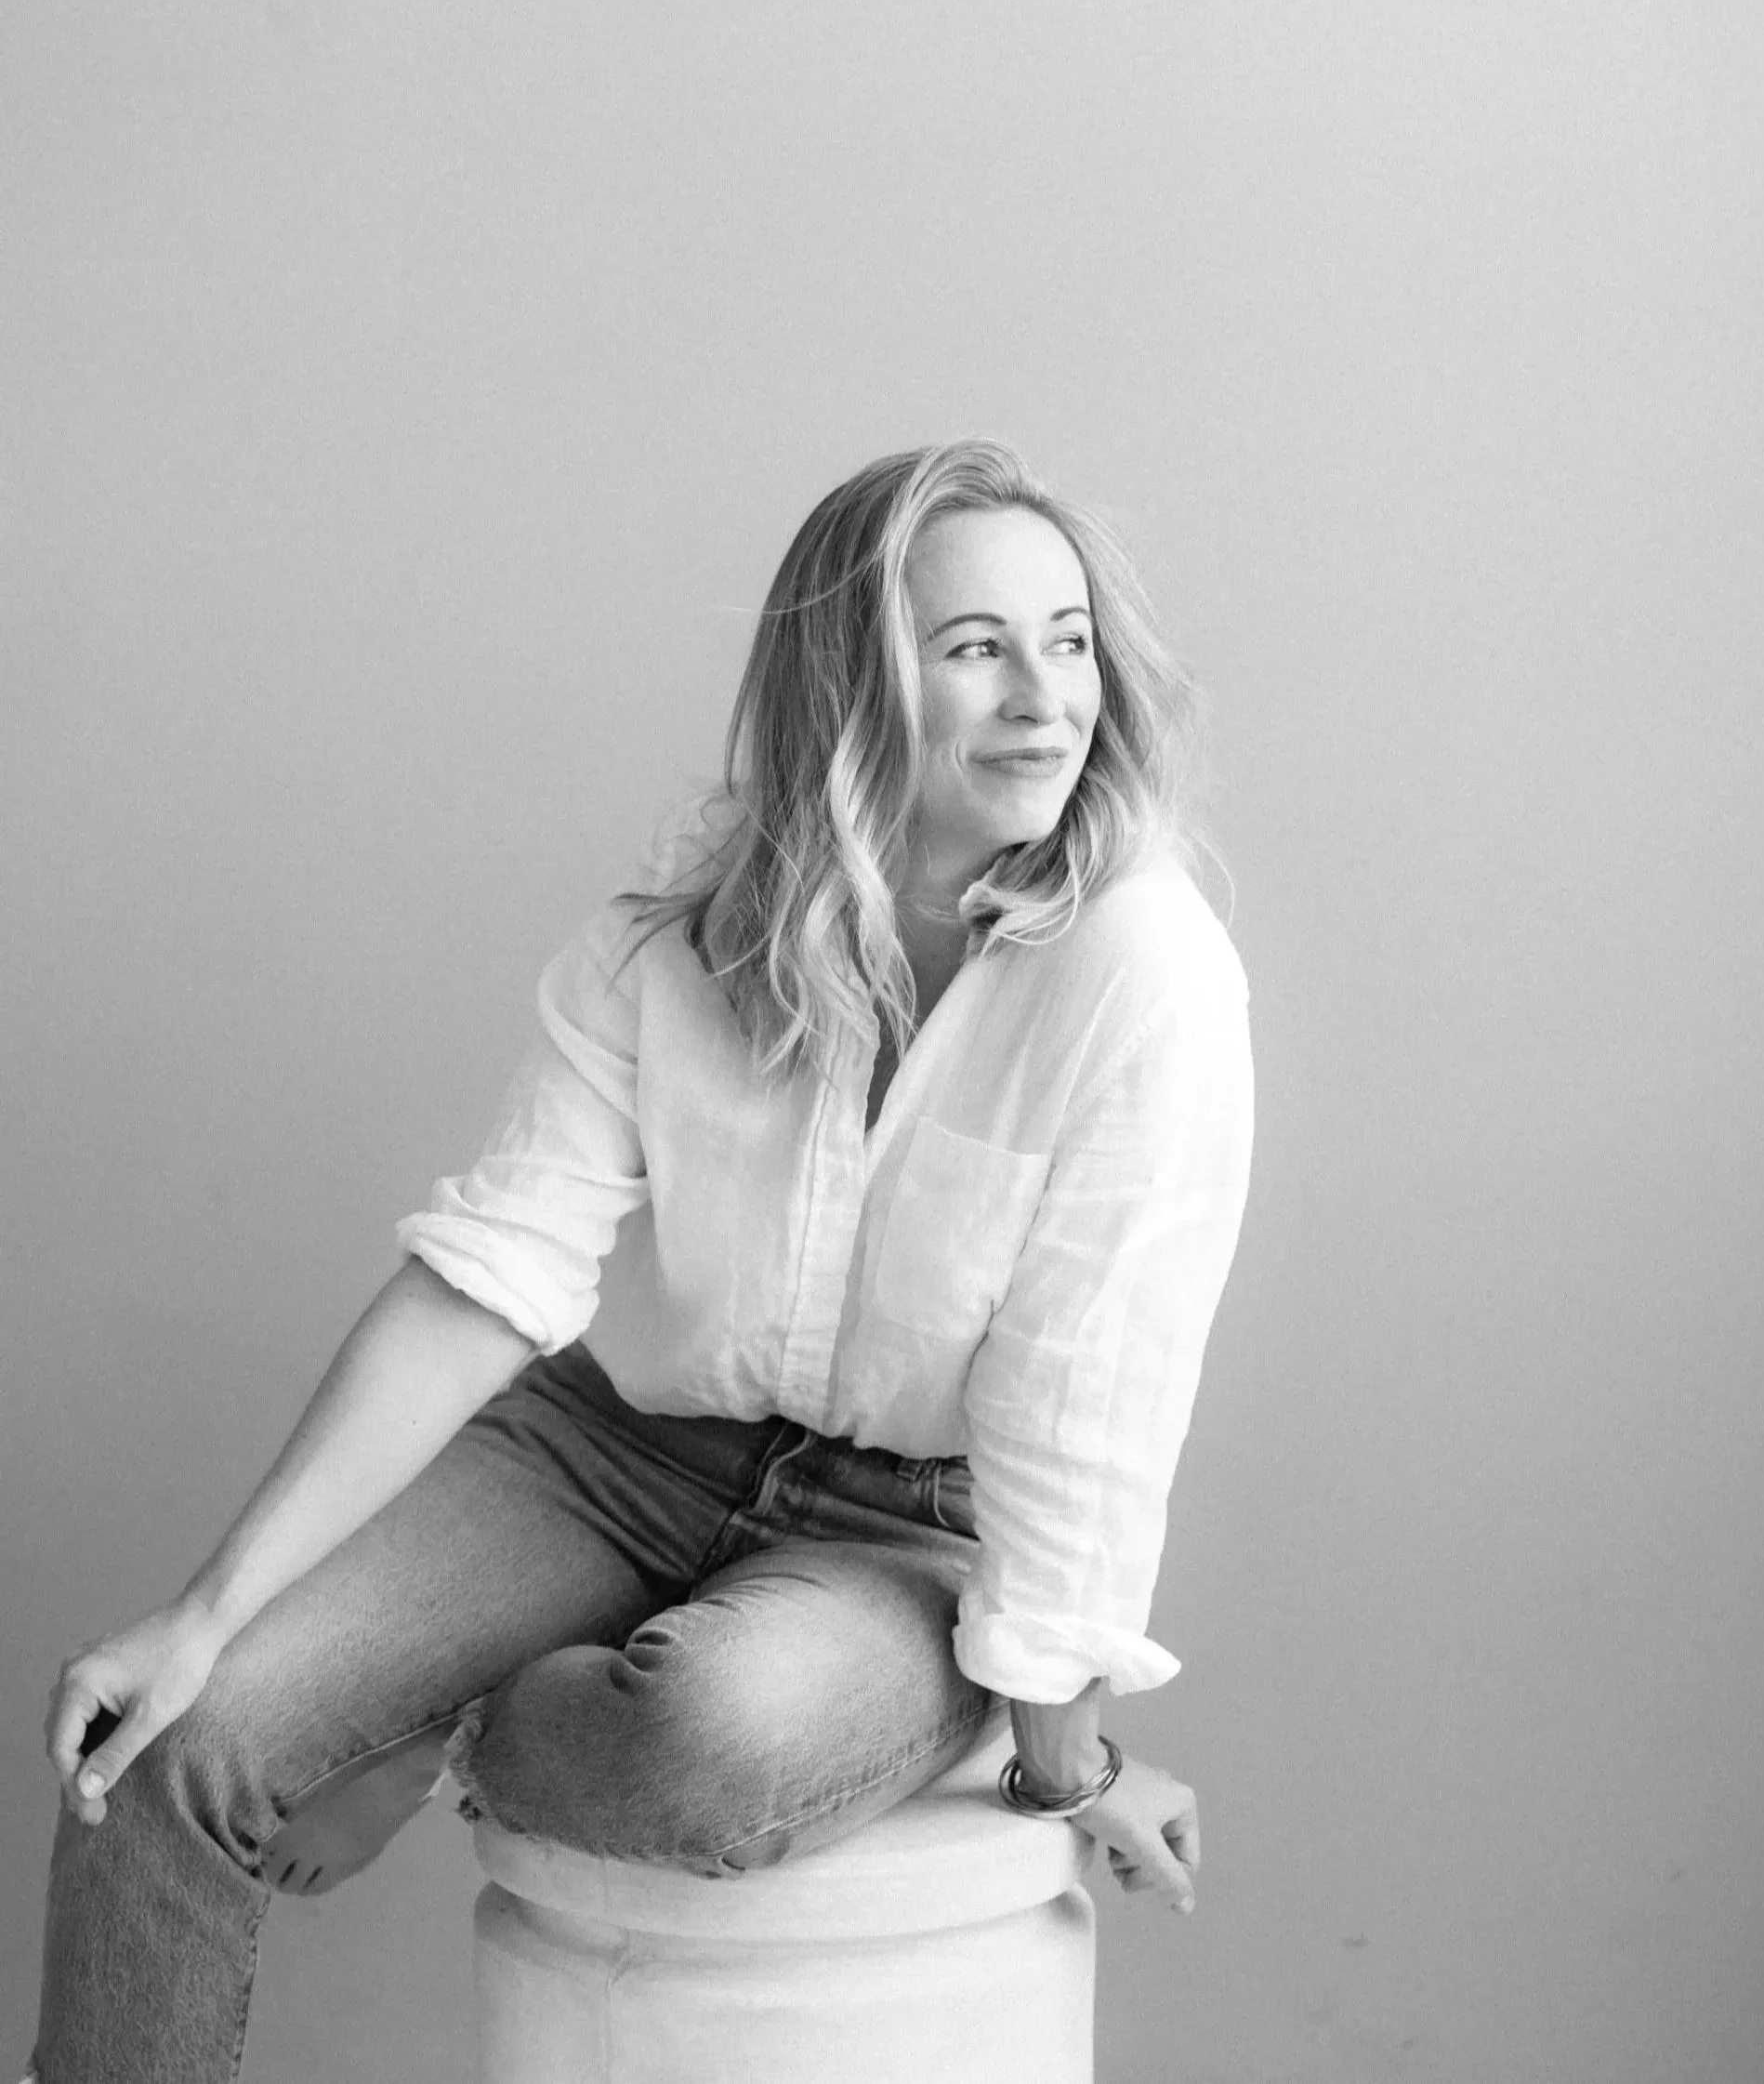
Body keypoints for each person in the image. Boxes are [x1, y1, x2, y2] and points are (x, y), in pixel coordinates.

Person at [30, 438, 1255, 2084]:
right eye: (976, 648)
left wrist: (1066, 1760)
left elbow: (1084, 1395)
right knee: (172, 1738)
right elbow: (488, 1278)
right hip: (609, 1455)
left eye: (1069, 641)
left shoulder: (1144, 972)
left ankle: (439, 1717)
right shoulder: (672, 944)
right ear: (851, 685)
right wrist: (207, 1619)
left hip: (906, 1529)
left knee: (698, 1745)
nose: (1045, 700)